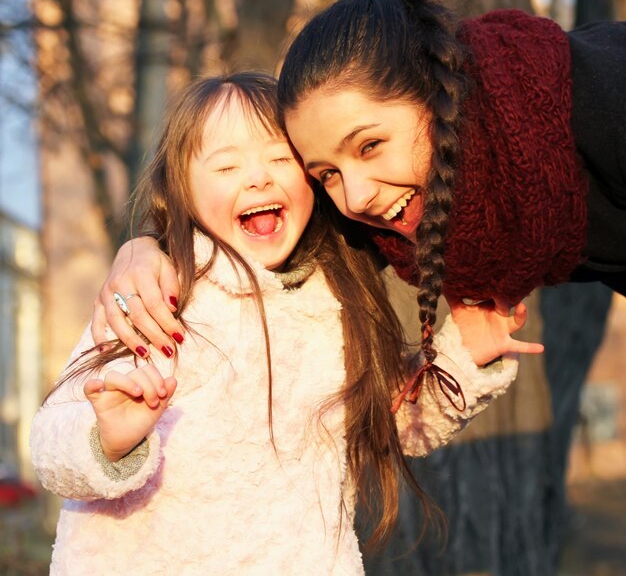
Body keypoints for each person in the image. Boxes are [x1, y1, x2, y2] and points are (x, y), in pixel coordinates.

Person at [29, 73, 533, 575]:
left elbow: (393, 426)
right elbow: (50, 444)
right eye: (226, 165)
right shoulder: (156, 297)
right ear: (181, 189)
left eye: (279, 158)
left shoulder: (337, 302)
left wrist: (465, 353)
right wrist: (108, 439)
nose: (258, 178)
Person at [92, 0, 623, 406]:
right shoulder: (406, 216)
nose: (357, 196)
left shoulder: (600, 95)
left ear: (438, 95)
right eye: (325, 174)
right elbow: (278, 229)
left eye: (369, 145)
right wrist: (148, 248)